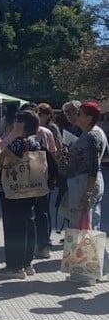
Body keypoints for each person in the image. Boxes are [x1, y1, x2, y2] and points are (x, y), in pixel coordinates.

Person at [0, 110, 46, 279]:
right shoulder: (35, 142)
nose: (14, 123)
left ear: (22, 124)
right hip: (31, 188)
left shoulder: (16, 143)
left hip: (13, 189)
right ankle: (28, 264)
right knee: (29, 223)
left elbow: (0, 161)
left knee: (14, 227)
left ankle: (14, 266)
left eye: (17, 120)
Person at [64, 101, 108, 283]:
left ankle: (85, 271)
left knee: (83, 226)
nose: (77, 117)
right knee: (89, 225)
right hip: (85, 182)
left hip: (85, 183)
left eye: (80, 114)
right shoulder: (92, 134)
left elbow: (93, 165)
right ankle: (99, 268)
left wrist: (87, 193)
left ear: (88, 118)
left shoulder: (91, 136)